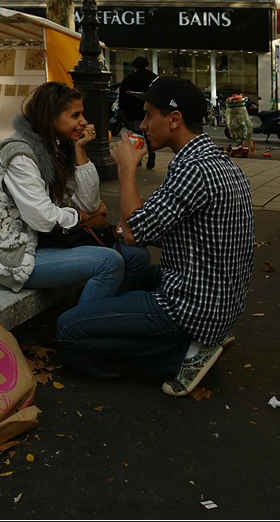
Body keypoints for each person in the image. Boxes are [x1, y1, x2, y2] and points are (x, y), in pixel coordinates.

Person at [56, 76, 255, 397]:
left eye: (149, 115)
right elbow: (184, 231)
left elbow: (134, 231)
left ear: (174, 119)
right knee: (141, 270)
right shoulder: (216, 161)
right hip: (220, 302)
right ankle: (190, 341)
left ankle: (182, 355)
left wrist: (126, 167)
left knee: (68, 328)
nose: (143, 124)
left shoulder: (192, 170)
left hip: (191, 307)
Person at [0, 81, 152, 306]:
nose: (83, 122)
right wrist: (85, 217)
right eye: (75, 115)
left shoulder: (57, 148)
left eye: (82, 114)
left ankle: (111, 316)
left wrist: (80, 150)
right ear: (50, 117)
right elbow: (44, 219)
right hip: (17, 255)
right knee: (109, 262)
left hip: (50, 243)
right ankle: (81, 330)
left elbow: (89, 204)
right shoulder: (19, 155)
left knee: (138, 256)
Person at [118, 56, 158, 169]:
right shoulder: (154, 79)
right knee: (149, 134)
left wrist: (123, 110)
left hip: (134, 112)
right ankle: (151, 152)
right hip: (150, 112)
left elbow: (123, 97)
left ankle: (138, 157)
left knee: (137, 134)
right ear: (147, 65)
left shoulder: (129, 79)